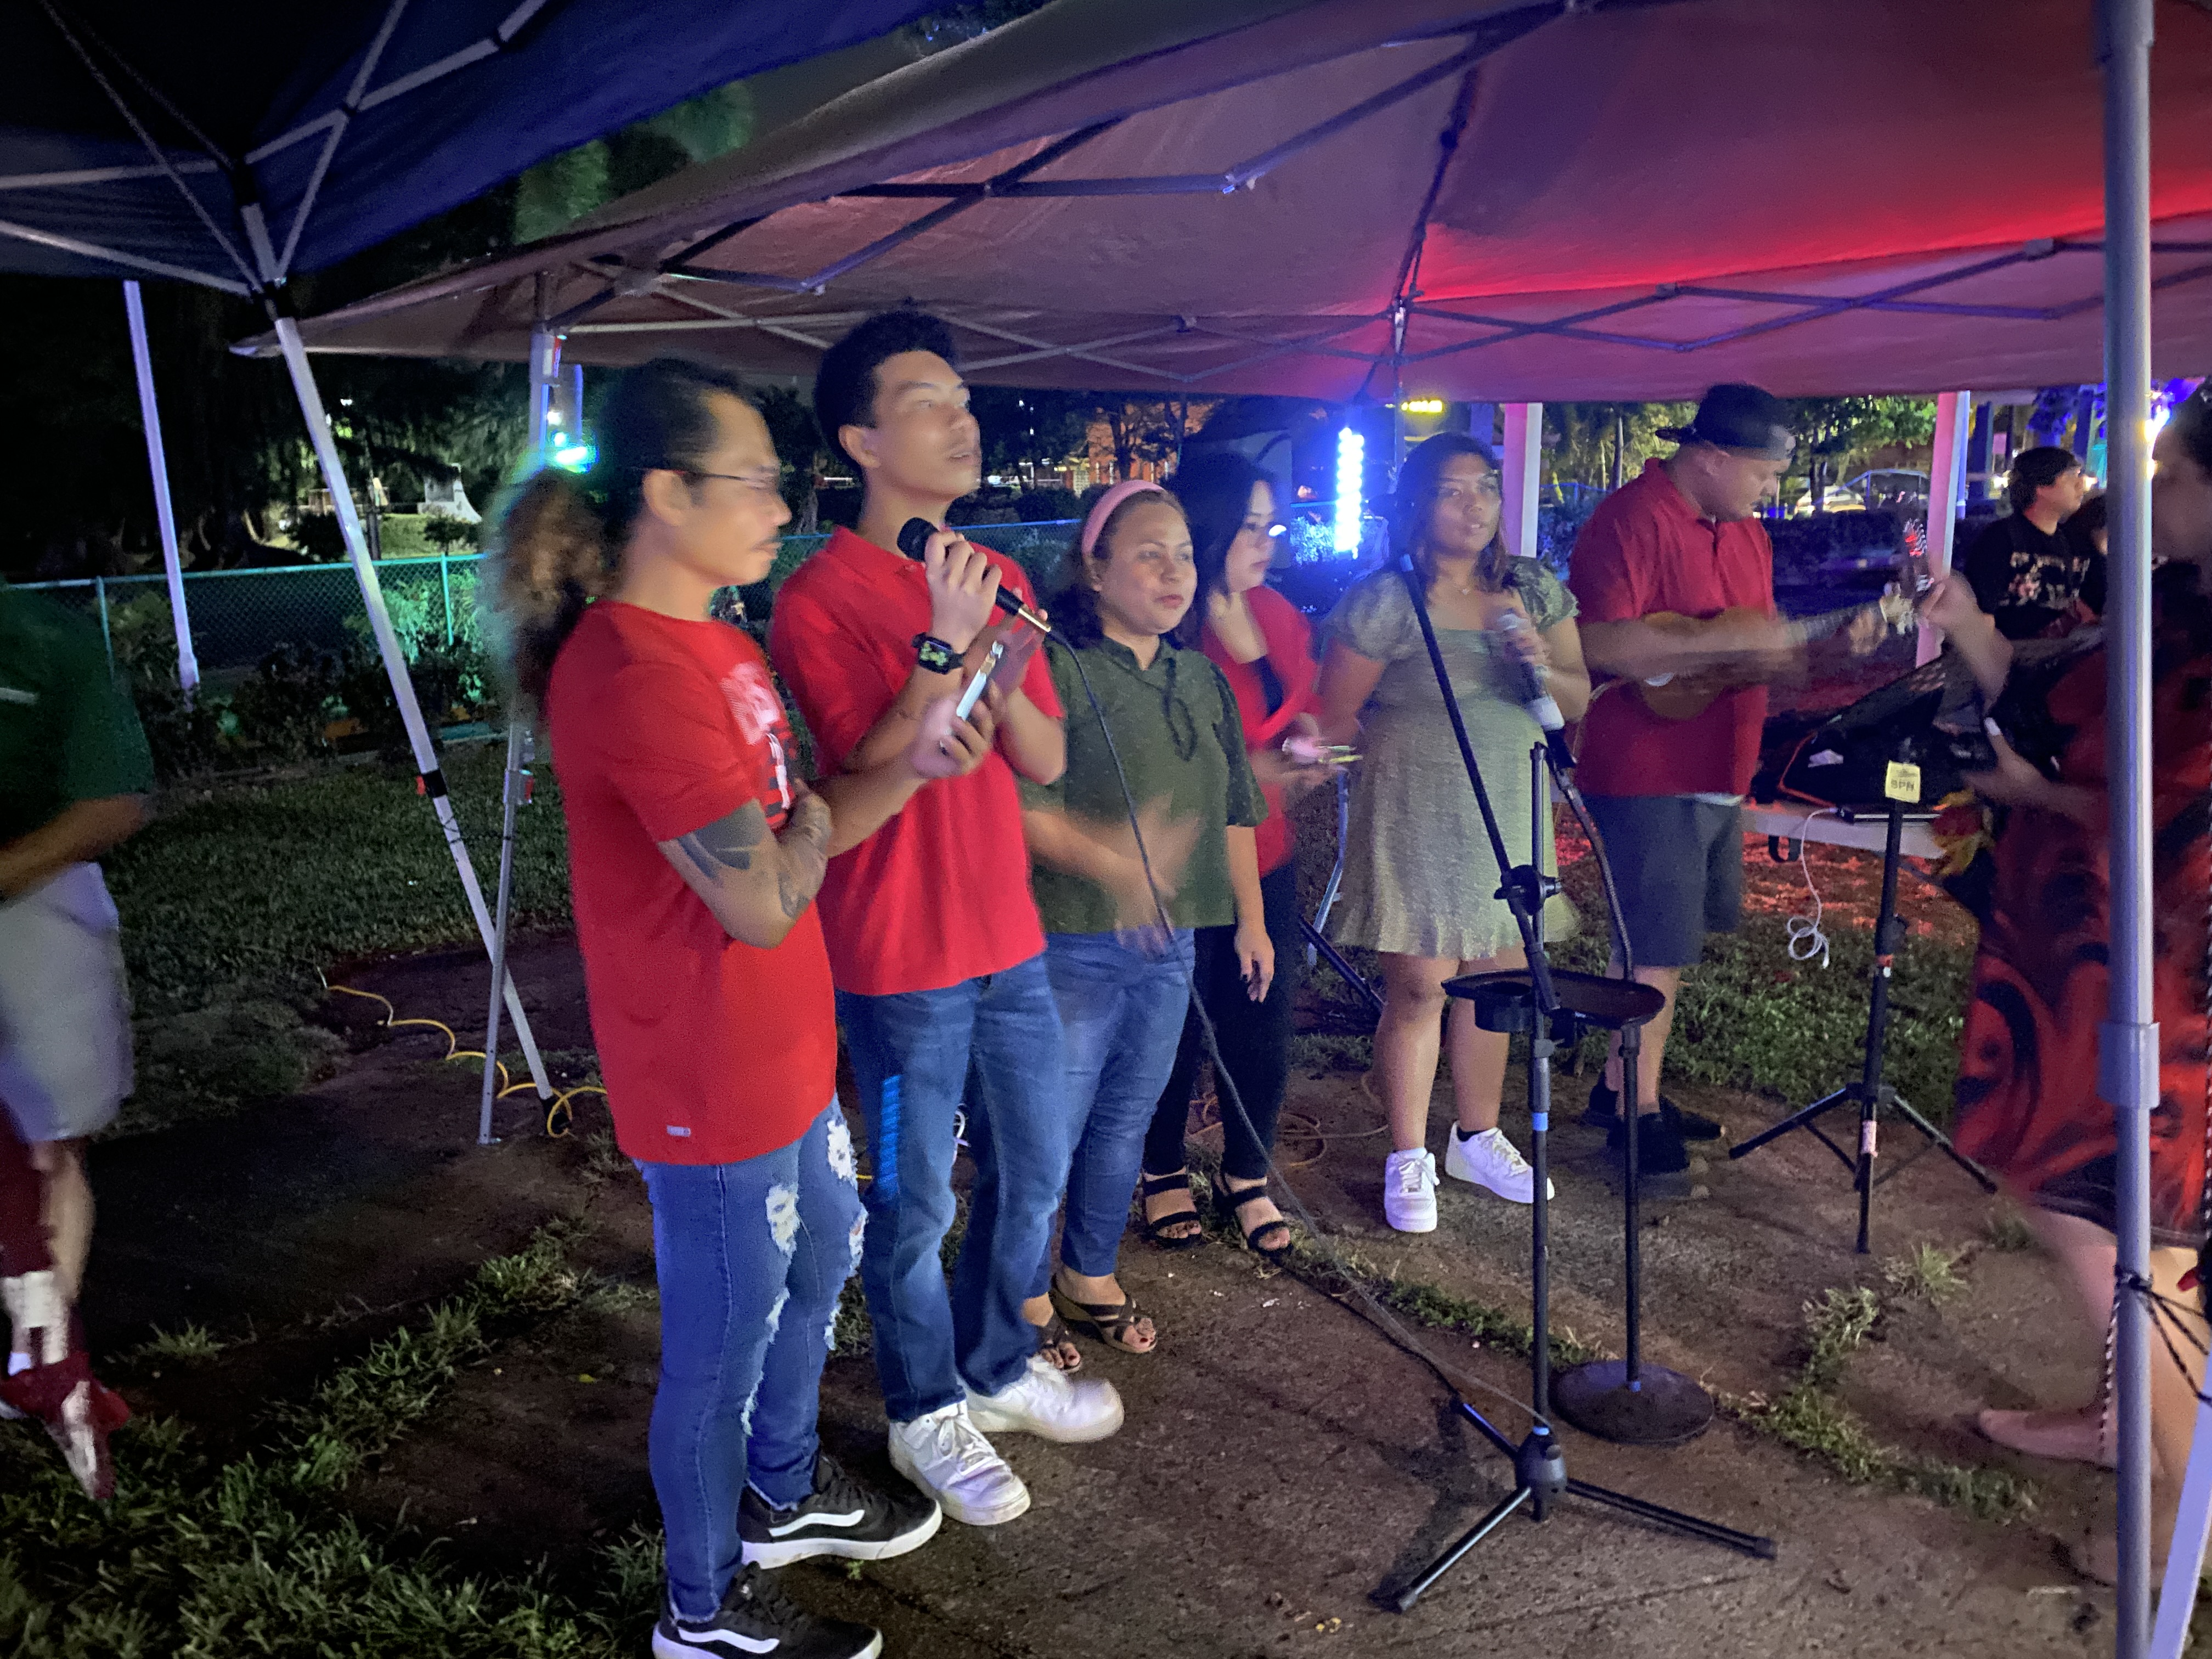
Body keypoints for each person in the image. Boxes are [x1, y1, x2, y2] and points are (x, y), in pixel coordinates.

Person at [495, 359, 969, 1659]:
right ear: (668, 491)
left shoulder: (721, 643)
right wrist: (812, 819)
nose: (784, 502)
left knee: (823, 1256)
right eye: (760, 480)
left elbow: (804, 834)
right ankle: (700, 1613)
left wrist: (912, 769)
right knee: (719, 1341)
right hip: (704, 1080)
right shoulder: (636, 671)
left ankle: (778, 1488)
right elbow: (759, 899)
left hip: (782, 1054)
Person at [768, 311, 1122, 1527]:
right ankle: (923, 1413)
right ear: (861, 438)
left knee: (1037, 1166)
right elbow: (859, 761)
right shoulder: (818, 594)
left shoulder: (1004, 579)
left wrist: (998, 657)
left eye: (964, 397)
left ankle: (994, 1365)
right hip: (900, 952)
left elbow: (1039, 753)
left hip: (1009, 939)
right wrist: (942, 644)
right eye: (928, 401)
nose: (962, 418)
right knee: (916, 1199)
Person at [1925, 388, 2212, 1583]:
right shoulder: (2174, 604)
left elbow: (2186, 823)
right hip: (2075, 952)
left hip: (2159, 974)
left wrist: (2032, 799)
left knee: (2117, 1215)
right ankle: (2121, 1425)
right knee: (2085, 1203)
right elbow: (2051, 700)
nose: (2148, 490)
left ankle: (2182, 1510)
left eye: (2176, 474)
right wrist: (1970, 626)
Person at [1567, 383, 1880, 1199]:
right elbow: (1598, 642)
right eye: (1764, 471)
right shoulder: (1628, 520)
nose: (1772, 488)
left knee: (1664, 943)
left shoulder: (1746, 536)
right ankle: (1635, 1117)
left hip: (1721, 766)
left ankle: (1617, 1089)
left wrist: (1829, 651)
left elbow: (1764, 657)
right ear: (1709, 458)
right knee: (1656, 949)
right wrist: (1721, 638)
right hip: (1645, 767)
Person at [1316, 433, 1589, 1233]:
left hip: (1511, 806)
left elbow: (1577, 699)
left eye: (1486, 489)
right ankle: (1408, 1154)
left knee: (1497, 984)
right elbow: (1337, 715)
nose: (1473, 505)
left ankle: (1477, 1135)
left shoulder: (1533, 592)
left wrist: (1541, 660)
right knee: (1421, 988)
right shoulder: (1384, 601)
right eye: (1451, 490)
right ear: (1416, 505)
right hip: (1419, 811)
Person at [1019, 482, 1268, 1350]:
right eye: (1149, 554)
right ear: (1093, 569)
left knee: (1128, 1116)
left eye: (1186, 555)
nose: (1175, 573)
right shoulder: (1053, 667)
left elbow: (1238, 806)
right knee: (1053, 1125)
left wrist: (1251, 920)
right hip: (1072, 938)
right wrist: (1116, 867)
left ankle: (1087, 1272)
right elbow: (1019, 807)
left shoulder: (1200, 676)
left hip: (1174, 942)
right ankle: (1021, 1298)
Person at [1138, 454, 1327, 1263]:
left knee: (1262, 1014)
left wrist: (1308, 745)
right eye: (1249, 525)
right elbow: (1161, 766)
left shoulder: (1275, 614)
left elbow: (1302, 706)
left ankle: (1246, 1171)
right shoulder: (1169, 627)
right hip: (1179, 864)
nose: (1265, 539)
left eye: (1271, 524)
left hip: (1266, 849)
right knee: (1176, 1021)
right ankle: (1161, 1166)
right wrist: (1259, 772)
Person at [0, 582, 149, 1500]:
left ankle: (40, 1364)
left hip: (34, 899)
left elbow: (113, 799)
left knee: (49, 1142)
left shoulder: (42, 640)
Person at [1959, 445, 2094, 639]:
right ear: (2042, 487)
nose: (2081, 485)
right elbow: (1980, 618)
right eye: (2072, 476)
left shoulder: (2076, 542)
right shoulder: (2000, 540)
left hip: (2059, 661)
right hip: (2009, 660)